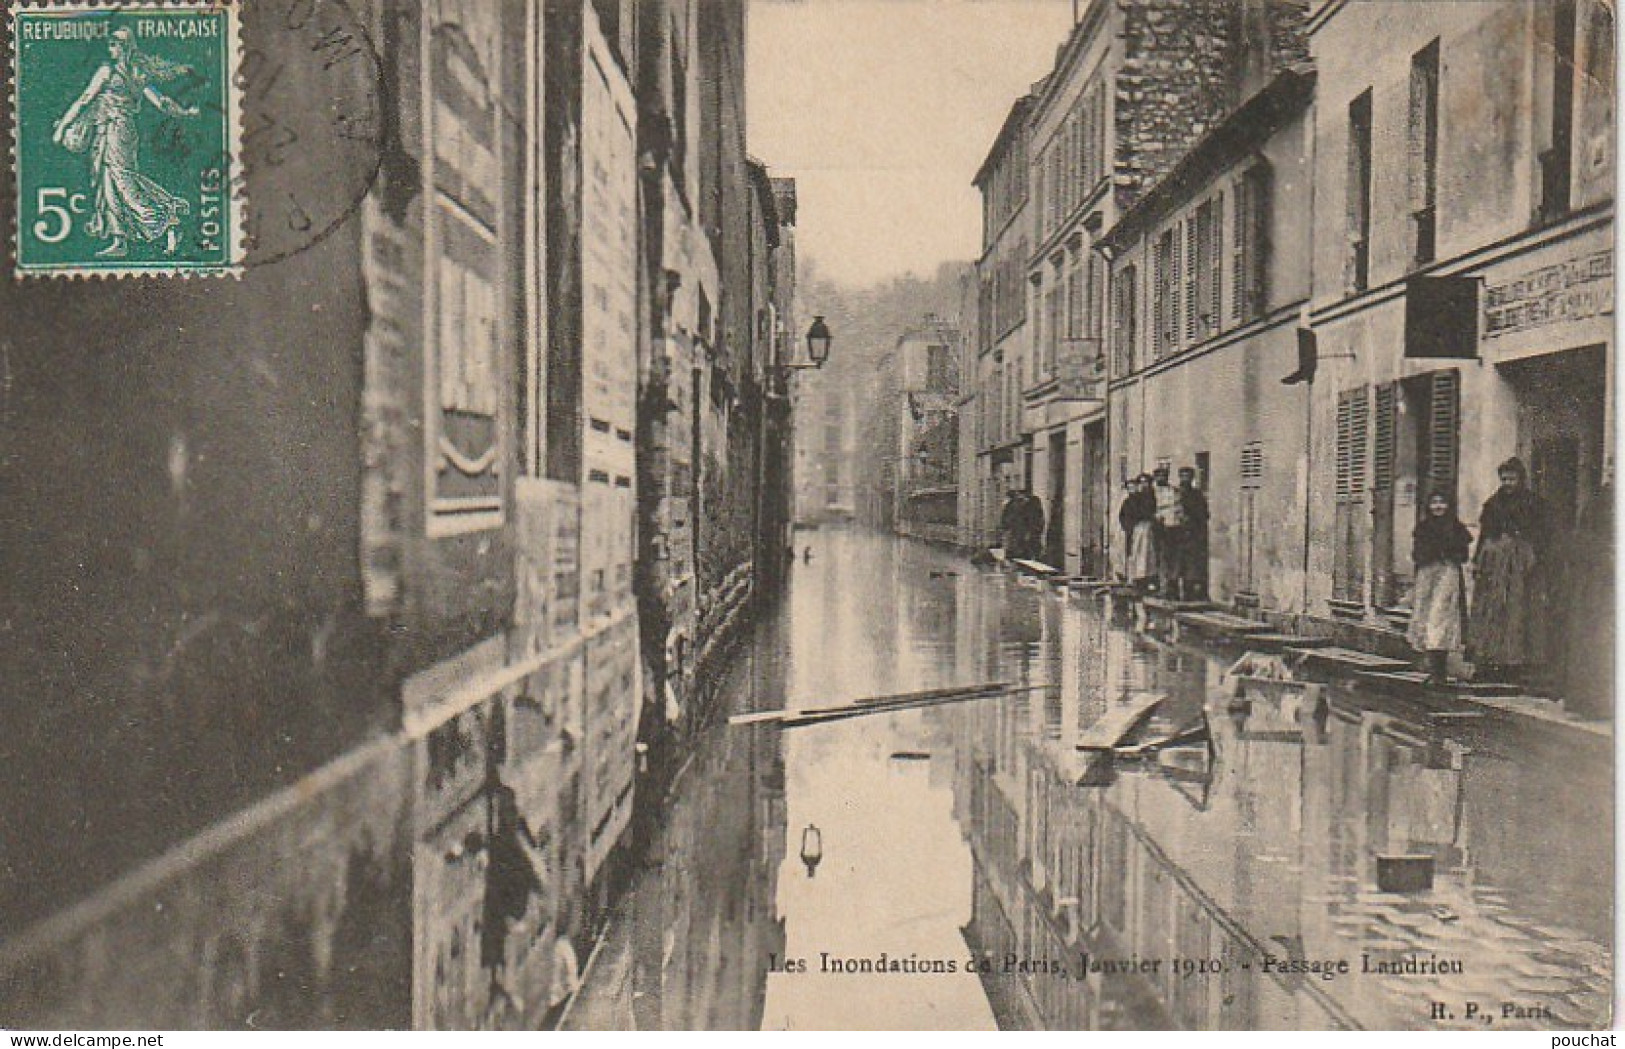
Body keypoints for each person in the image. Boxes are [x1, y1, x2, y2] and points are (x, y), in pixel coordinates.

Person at [52, 27, 199, 258]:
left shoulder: (107, 71)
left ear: (124, 47)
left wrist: (62, 128)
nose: (110, 49)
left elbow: (84, 100)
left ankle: (166, 220)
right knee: (111, 180)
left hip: (113, 130)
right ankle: (120, 240)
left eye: (114, 45)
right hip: (123, 131)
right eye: (110, 44)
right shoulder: (138, 73)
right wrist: (186, 113)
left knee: (121, 182)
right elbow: (162, 102)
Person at [1467, 457, 1548, 680]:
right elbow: (1484, 536)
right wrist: (1477, 561)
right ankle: (1489, 662)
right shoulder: (1492, 504)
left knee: (1517, 611)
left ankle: (1515, 663)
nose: (1508, 483)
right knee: (1492, 611)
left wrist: (1534, 557)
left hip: (1521, 564)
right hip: (1494, 564)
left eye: (1512, 478)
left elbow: (1541, 536)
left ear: (1521, 479)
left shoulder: (1533, 503)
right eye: (1504, 479)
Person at [1407, 490, 1472, 686]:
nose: (1438, 507)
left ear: (1449, 505)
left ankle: (1440, 672)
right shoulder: (1423, 528)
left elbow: (1463, 554)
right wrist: (1428, 554)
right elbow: (1416, 554)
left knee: (1441, 617)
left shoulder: (1456, 528)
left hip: (1447, 574)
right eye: (1434, 502)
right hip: (1427, 575)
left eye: (1442, 502)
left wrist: (1448, 553)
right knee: (1426, 616)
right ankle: (1435, 670)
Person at [1175, 466, 1210, 600]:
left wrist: (1192, 517)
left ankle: (1192, 594)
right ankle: (1178, 593)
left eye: (1187, 476)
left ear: (1192, 478)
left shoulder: (1197, 495)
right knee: (1179, 564)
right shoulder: (1176, 494)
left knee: (1193, 565)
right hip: (1178, 535)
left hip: (1193, 533)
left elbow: (1205, 514)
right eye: (1182, 476)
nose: (1185, 479)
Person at [1151, 466, 1185, 596]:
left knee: (1174, 557)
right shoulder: (1152, 492)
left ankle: (1173, 585)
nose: (1161, 478)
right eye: (1158, 476)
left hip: (1174, 528)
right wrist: (1157, 518)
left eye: (1164, 476)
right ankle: (1162, 586)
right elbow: (1151, 509)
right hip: (1158, 528)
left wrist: (1179, 520)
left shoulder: (1174, 491)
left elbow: (1179, 507)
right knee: (1160, 557)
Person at [1120, 475, 1157, 590]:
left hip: (1147, 529)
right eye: (1129, 488)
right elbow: (1123, 516)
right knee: (1134, 554)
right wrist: (1129, 527)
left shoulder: (1148, 497)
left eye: (1134, 487)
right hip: (1134, 530)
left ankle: (1147, 578)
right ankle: (1134, 578)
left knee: (1147, 554)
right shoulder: (1127, 502)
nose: (1133, 489)